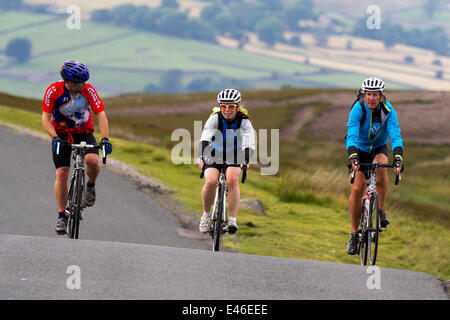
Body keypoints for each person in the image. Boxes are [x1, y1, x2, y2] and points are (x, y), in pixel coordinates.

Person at [42, 60, 113, 234]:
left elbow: (101, 116)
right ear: (69, 81)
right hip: (61, 134)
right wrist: (55, 138)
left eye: (84, 81)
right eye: (79, 82)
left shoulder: (88, 91)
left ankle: (90, 185)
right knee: (62, 172)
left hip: (84, 132)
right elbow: (45, 118)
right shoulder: (54, 91)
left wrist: (105, 139)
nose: (83, 85)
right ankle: (61, 216)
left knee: (93, 161)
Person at [345, 77, 404, 255]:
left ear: (381, 96)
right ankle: (354, 234)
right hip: (359, 149)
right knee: (356, 190)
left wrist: (398, 157)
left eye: (375, 95)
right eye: (369, 94)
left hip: (378, 147)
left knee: (380, 166)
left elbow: (395, 134)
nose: (371, 98)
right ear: (365, 95)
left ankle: (380, 211)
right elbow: (351, 133)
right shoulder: (358, 108)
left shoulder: (388, 110)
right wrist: (353, 156)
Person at [198, 89, 255, 234]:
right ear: (220, 107)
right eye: (224, 106)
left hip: (235, 153)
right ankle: (206, 216)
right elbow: (204, 138)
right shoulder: (214, 118)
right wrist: (202, 158)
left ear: (237, 106)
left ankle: (232, 220)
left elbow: (249, 143)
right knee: (210, 181)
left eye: (231, 107)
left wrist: (246, 159)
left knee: (232, 180)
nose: (227, 110)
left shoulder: (244, 121)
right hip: (213, 151)